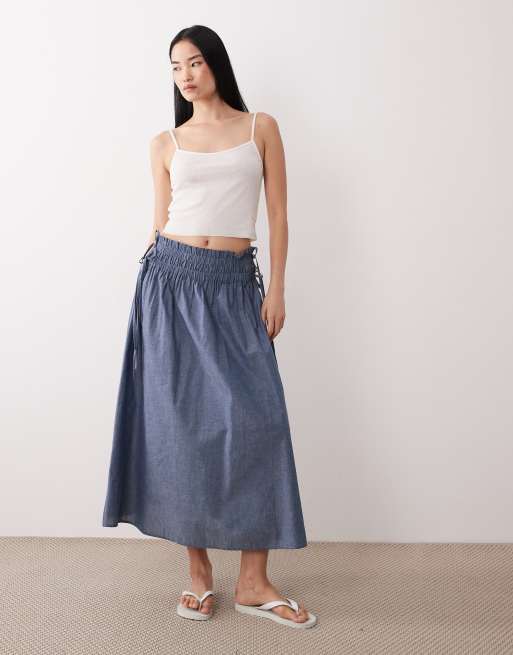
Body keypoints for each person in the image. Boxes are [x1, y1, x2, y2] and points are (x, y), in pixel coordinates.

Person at [102, 25, 317, 629]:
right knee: (178, 429)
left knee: (259, 423)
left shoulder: (260, 128)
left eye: (194, 62)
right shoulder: (165, 143)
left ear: (216, 63)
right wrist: (145, 303)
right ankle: (198, 576)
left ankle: (254, 581)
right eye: (176, 67)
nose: (186, 76)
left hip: (234, 285)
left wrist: (276, 288)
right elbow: (158, 221)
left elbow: (278, 214)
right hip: (168, 284)